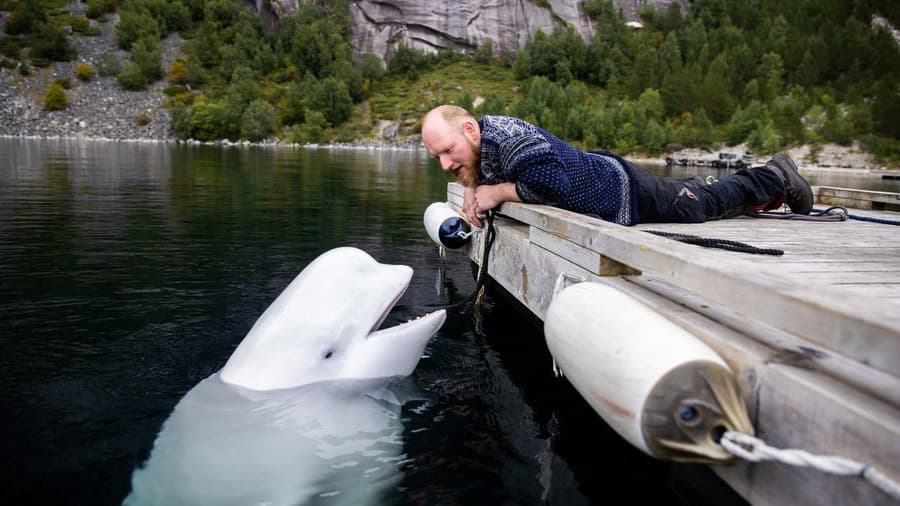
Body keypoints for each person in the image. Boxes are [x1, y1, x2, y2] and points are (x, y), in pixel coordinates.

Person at [420, 104, 813, 228]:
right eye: (436, 156)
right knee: (689, 194)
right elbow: (485, 167)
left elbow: (550, 184)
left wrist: (498, 192)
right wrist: (472, 186)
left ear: (470, 129)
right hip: (612, 179)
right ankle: (701, 185)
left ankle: (774, 174)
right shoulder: (484, 142)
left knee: (701, 205)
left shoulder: (510, 137)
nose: (443, 164)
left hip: (625, 191)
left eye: (447, 150)